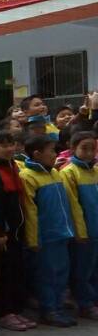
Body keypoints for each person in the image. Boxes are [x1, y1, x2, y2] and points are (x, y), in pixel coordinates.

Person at [20, 136, 76, 327]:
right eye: (51, 151)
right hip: (45, 236)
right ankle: (49, 309)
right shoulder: (28, 176)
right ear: (37, 154)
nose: (55, 154)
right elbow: (30, 211)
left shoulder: (54, 173)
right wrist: (33, 239)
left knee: (61, 273)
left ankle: (58, 307)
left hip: (61, 232)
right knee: (47, 275)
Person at [0, 131, 36, 331]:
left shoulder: (14, 166)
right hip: (4, 234)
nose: (9, 149)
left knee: (16, 271)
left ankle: (15, 309)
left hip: (17, 231)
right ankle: (3, 312)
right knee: (4, 273)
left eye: (11, 144)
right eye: (3, 145)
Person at [60, 131, 98, 320]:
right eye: (84, 148)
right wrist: (80, 232)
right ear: (73, 148)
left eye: (93, 148)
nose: (89, 153)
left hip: (96, 229)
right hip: (84, 232)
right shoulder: (69, 172)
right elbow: (73, 206)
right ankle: (85, 303)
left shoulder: (95, 170)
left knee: (94, 268)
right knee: (82, 270)